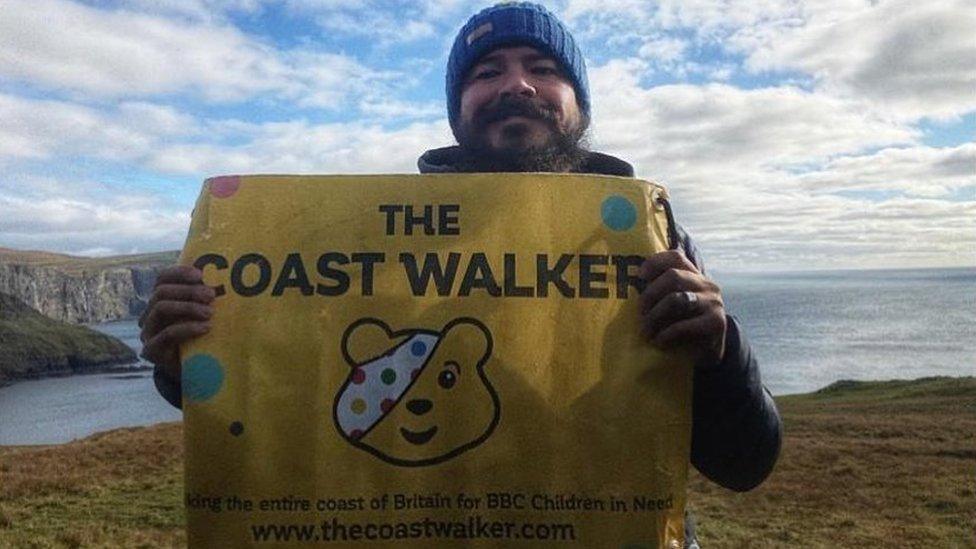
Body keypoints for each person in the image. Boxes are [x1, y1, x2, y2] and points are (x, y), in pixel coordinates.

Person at [141, 3, 781, 545]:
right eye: (486, 72)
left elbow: (744, 461)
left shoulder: (650, 240)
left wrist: (720, 352)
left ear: (579, 104)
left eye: (544, 68)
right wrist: (186, 355)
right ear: (457, 110)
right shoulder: (368, 240)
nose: (517, 85)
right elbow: (295, 381)